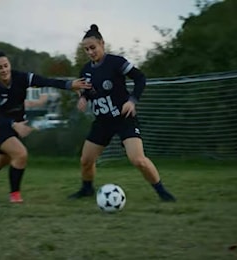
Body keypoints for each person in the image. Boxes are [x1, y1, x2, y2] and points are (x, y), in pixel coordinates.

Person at [68, 24, 176, 202]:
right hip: (102, 122)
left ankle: (162, 193)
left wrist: (132, 100)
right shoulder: (85, 71)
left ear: (102, 43)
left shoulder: (116, 62)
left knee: (138, 160)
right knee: (86, 160)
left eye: (93, 47)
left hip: (124, 119)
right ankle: (87, 189)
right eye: (86, 49)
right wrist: (83, 98)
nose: (90, 52)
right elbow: (87, 91)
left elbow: (140, 78)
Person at [0, 47, 91, 203]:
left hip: (15, 124)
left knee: (2, 159)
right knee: (20, 154)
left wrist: (68, 85)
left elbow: (45, 81)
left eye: (6, 65)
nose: (4, 70)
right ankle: (15, 195)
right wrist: (14, 124)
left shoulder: (20, 78)